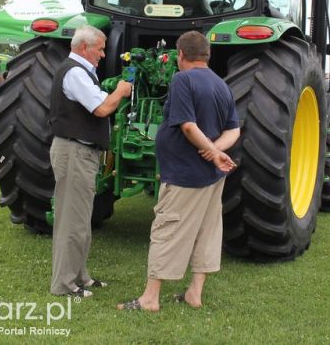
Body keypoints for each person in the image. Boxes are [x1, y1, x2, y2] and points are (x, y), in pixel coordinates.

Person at [117, 30, 240, 311]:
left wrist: (211, 150)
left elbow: (186, 125)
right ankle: (194, 293)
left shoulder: (182, 79)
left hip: (186, 175)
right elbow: (234, 129)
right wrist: (216, 152)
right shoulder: (222, 85)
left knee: (167, 229)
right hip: (212, 176)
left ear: (181, 54)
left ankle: (150, 298)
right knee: (208, 231)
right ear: (207, 55)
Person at [49, 25, 132, 297]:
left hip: (81, 153)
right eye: (100, 48)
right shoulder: (74, 72)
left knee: (81, 220)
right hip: (74, 153)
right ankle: (64, 284)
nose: (103, 53)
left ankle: (80, 277)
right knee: (71, 221)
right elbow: (102, 108)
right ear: (84, 48)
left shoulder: (82, 72)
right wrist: (120, 90)